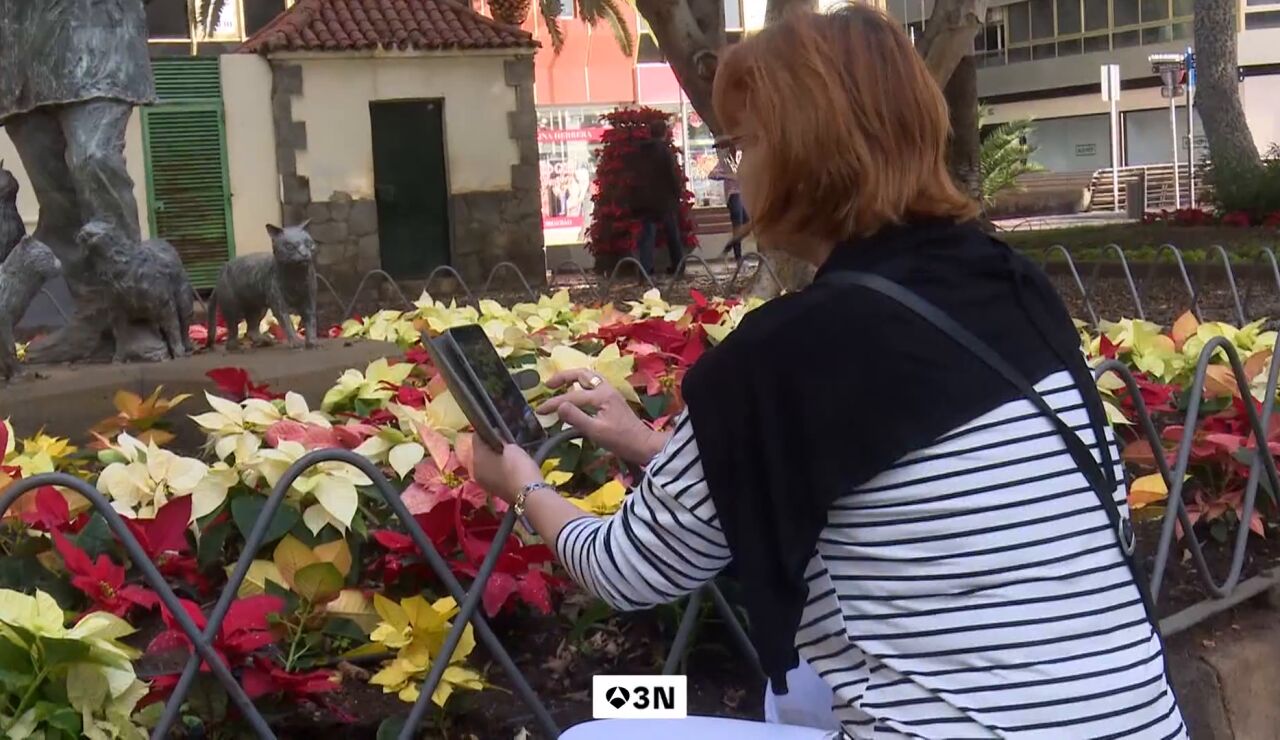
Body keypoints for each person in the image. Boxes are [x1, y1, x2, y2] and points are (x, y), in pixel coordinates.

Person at [474, 5, 1186, 738]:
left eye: (739, 145)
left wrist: (521, 483)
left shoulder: (788, 352)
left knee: (601, 732)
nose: (732, 170)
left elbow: (626, 569)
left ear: (798, 154)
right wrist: (646, 443)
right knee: (802, 693)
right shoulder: (1009, 282)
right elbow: (895, 474)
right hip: (1142, 724)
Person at [627, 119, 685, 275]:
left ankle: (646, 269)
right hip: (664, 200)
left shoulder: (640, 151)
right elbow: (672, 175)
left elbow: (634, 176)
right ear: (665, 133)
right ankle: (678, 266)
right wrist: (677, 194)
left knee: (647, 234)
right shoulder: (665, 151)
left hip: (646, 201)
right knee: (672, 234)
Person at [709, 137, 748, 260]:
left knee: (746, 225)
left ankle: (731, 247)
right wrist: (728, 176)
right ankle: (738, 257)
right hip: (734, 195)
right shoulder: (725, 162)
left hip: (745, 194)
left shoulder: (743, 158)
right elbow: (712, 174)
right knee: (738, 224)